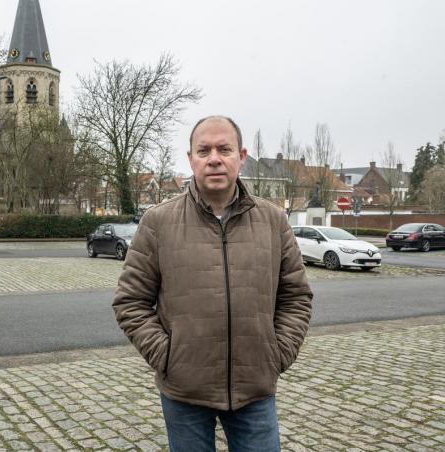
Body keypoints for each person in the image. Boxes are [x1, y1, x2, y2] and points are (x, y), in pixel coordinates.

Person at [113, 116, 313, 451]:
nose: (214, 158)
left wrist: (276, 354)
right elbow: (130, 301)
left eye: (224, 149)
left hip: (255, 391)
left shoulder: (273, 221)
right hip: (184, 393)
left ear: (242, 156)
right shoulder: (158, 222)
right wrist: (167, 356)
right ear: (190, 158)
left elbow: (296, 297)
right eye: (204, 150)